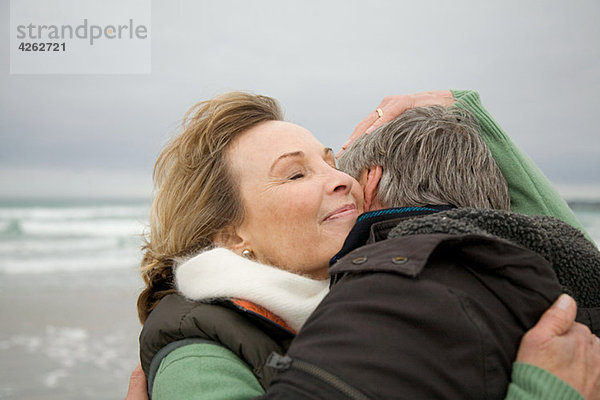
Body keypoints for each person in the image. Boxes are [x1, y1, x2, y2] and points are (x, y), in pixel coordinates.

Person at [129, 90, 599, 400]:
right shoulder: (197, 349)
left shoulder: (366, 294)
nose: (340, 180)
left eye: (332, 161)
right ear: (232, 235)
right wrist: (546, 391)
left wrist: (463, 108)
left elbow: (566, 258)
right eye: (296, 173)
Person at [260, 104, 600, 399]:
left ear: (370, 182)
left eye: (340, 174)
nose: (337, 187)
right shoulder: (566, 280)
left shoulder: (385, 295)